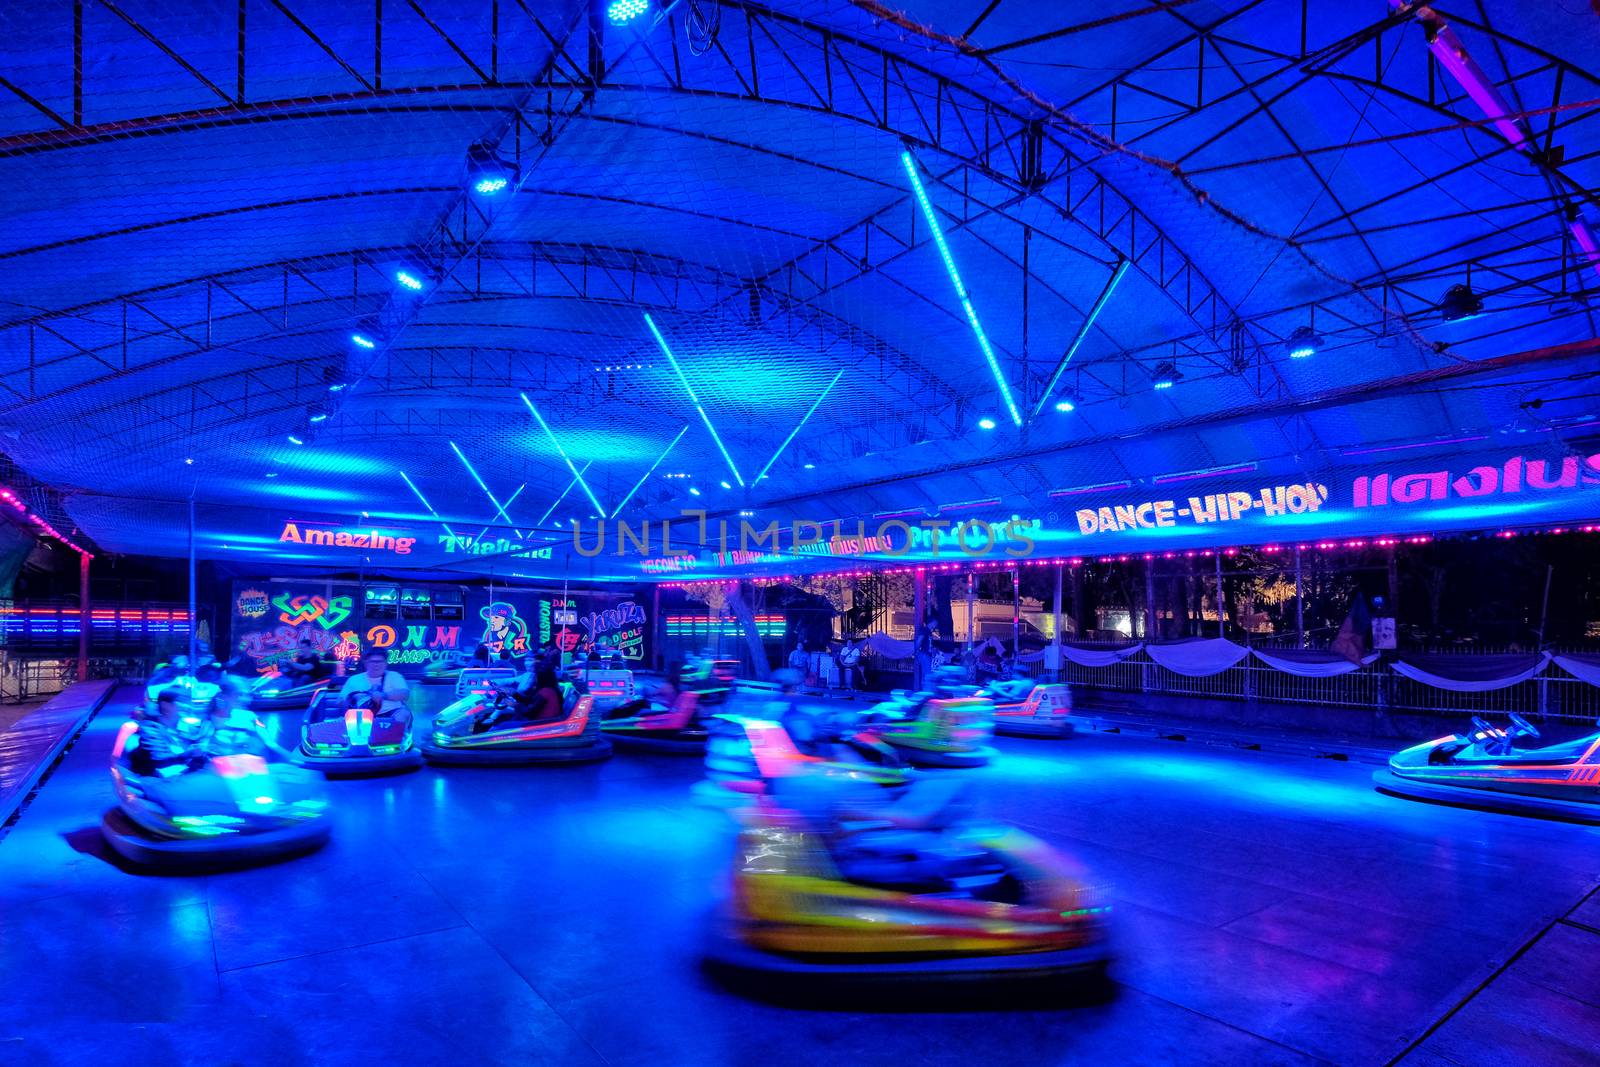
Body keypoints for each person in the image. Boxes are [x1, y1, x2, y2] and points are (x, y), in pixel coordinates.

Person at [130, 687, 208, 776]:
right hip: (155, 780)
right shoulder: (151, 728)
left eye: (187, 701)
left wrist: (201, 755)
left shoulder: (187, 726)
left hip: (183, 778)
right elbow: (159, 762)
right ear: (164, 705)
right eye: (180, 701)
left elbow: (196, 757)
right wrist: (188, 754)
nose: (186, 705)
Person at [337, 649, 411, 726]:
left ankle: (395, 735)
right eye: (373, 662)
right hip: (362, 716)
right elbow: (340, 701)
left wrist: (383, 696)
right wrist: (351, 700)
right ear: (365, 663)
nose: (376, 665)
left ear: (385, 663)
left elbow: (405, 694)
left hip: (391, 713)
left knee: (404, 714)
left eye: (380, 662)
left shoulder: (394, 676)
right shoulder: (354, 679)